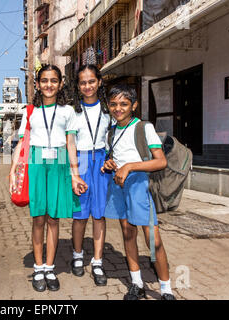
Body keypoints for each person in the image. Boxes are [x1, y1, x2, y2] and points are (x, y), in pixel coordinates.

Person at [9, 64, 88, 292]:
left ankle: (50, 268)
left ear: (61, 83)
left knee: (54, 219)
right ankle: (38, 268)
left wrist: (75, 175)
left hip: (60, 163)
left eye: (54, 80)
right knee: (38, 219)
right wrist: (13, 169)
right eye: (44, 80)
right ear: (37, 84)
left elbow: (71, 144)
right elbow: (23, 143)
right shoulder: (30, 110)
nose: (49, 85)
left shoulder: (68, 112)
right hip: (36, 163)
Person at [102, 84, 176, 300]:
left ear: (133, 105)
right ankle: (136, 283)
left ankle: (166, 289)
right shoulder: (111, 132)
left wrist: (130, 166)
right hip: (119, 185)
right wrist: (110, 164)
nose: (118, 108)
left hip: (138, 185)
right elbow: (115, 156)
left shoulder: (144, 127)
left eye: (124, 104)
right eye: (113, 104)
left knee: (153, 240)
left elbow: (160, 161)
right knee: (127, 233)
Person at [70, 64, 112, 286]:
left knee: (99, 214)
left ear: (99, 82)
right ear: (78, 86)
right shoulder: (72, 112)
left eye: (91, 81)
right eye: (83, 82)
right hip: (81, 162)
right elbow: (68, 144)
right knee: (79, 215)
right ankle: (77, 256)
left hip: (102, 163)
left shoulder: (108, 110)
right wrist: (73, 172)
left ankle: (97, 261)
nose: (88, 86)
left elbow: (114, 139)